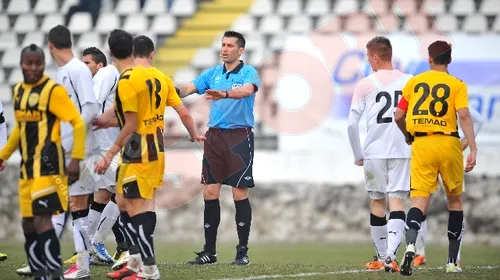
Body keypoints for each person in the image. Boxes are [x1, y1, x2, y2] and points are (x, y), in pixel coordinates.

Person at [0, 44, 86, 280]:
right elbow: (20, 129)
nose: (34, 67)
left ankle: (54, 274)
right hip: (27, 170)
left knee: (42, 219)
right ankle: (40, 273)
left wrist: (76, 160)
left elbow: (77, 123)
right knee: (28, 224)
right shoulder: (18, 91)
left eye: (38, 63)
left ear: (43, 63)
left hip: (49, 167)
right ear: (21, 64)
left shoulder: (52, 91)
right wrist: (3, 155)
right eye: (29, 63)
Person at [177, 30, 261, 266]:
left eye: (230, 45)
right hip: (214, 136)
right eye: (223, 45)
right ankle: (209, 252)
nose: (224, 49)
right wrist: (167, 90)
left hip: (238, 136)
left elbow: (246, 90)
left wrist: (224, 93)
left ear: (240, 50)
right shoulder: (213, 73)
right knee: (210, 192)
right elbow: (188, 89)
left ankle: (242, 251)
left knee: (238, 193)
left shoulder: (249, 72)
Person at [394, 41, 477, 275]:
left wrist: (408, 135)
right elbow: (464, 114)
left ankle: (411, 244)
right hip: (449, 143)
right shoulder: (457, 84)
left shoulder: (414, 82)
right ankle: (452, 262)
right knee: (455, 202)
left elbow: (398, 115)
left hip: (422, 144)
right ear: (449, 60)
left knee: (418, 202)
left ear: (429, 59)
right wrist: (472, 147)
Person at [347, 36, 413, 272]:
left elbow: (352, 124)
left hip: (374, 152)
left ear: (375, 57)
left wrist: (358, 153)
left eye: (368, 58)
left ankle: (380, 256)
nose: (368, 62)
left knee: (377, 202)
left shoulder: (365, 83)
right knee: (397, 202)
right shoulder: (411, 82)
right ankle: (391, 256)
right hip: (404, 150)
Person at [48, 24, 99, 279]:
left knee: (78, 205)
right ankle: (79, 265)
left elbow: (90, 108)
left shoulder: (77, 70)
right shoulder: (64, 71)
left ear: (51, 46)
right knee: (74, 205)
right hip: (67, 146)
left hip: (78, 148)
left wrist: (69, 139)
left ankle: (83, 266)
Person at [414, 107, 484, 268]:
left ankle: (454, 256)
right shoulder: (429, 95)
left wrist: (466, 142)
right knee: (424, 204)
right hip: (432, 153)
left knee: (454, 204)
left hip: (446, 154)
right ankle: (420, 252)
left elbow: (477, 119)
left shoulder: (451, 93)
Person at [81, 46, 124, 266]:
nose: (84, 66)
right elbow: (93, 106)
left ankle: (88, 248)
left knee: (102, 197)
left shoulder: (106, 74)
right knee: (123, 192)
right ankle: (96, 242)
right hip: (103, 148)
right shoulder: (108, 73)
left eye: (87, 62)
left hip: (101, 146)